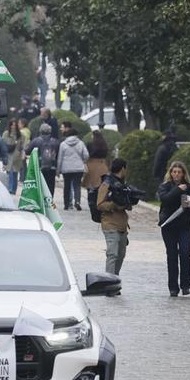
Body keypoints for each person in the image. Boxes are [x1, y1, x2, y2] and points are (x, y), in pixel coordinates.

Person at [157, 160, 190, 297]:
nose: (176, 174)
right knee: (171, 255)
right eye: (174, 172)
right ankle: (173, 287)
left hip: (184, 226)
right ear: (170, 173)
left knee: (185, 253)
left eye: (179, 172)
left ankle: (185, 285)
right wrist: (178, 190)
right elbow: (165, 200)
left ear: (183, 174)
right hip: (169, 226)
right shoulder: (164, 187)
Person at [95, 159, 131, 287]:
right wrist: (115, 204)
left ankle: (114, 280)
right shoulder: (107, 183)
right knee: (112, 254)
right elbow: (99, 204)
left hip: (122, 224)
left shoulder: (122, 184)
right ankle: (109, 284)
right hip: (110, 224)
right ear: (123, 169)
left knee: (121, 255)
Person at [57, 123, 90, 211]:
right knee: (77, 185)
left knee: (67, 186)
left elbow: (60, 158)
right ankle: (77, 202)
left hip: (66, 169)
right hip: (78, 168)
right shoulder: (81, 143)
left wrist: (58, 170)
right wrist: (82, 160)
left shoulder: (63, 144)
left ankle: (66, 204)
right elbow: (86, 155)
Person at [27, 123, 61, 197]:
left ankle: (41, 198)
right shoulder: (55, 142)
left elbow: (28, 151)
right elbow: (59, 154)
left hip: (39, 166)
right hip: (52, 166)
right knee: (50, 184)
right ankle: (49, 199)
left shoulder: (36, 141)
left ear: (40, 131)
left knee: (40, 184)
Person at [82, 131, 111, 197]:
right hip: (102, 164)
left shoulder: (90, 144)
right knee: (101, 183)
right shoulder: (104, 145)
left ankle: (91, 198)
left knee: (90, 183)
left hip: (91, 164)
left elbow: (87, 154)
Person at [2, 118, 25, 193]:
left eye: (15, 125)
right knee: (8, 172)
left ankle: (13, 189)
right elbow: (2, 144)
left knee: (15, 173)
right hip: (8, 155)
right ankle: (9, 188)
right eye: (12, 125)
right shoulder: (6, 134)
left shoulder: (21, 135)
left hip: (17, 157)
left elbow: (23, 146)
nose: (13, 127)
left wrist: (22, 154)